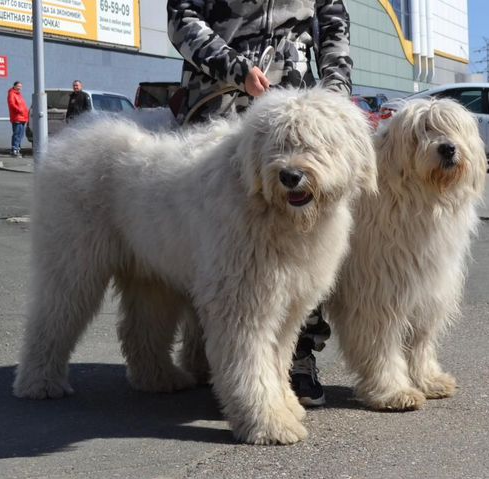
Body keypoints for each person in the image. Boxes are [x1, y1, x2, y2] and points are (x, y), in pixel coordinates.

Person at [167, 0, 353, 407]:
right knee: (217, 253)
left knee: (306, 245)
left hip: (294, 108)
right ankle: (212, 359)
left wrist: (335, 94)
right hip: (218, 100)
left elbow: (334, 26)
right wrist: (235, 68)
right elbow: (182, 18)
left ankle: (296, 360)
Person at [7, 81, 28, 157]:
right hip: (17, 117)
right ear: (14, 86)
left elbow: (23, 106)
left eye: (20, 86)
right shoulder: (12, 94)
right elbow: (12, 104)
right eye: (18, 86)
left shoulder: (19, 95)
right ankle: (14, 149)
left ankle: (17, 149)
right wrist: (20, 110)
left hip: (22, 117)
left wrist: (25, 113)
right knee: (17, 134)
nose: (19, 87)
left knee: (21, 134)